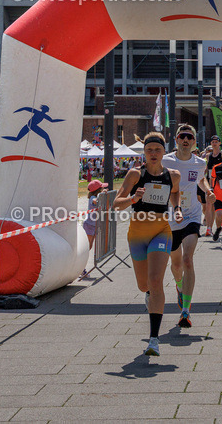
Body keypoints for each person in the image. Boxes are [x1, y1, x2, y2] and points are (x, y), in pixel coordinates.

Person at [112, 132, 182, 357]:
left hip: (161, 231)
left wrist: (177, 208)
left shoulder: (173, 175)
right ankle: (148, 294)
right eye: (149, 150)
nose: (153, 154)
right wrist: (133, 199)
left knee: (156, 280)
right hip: (137, 234)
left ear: (164, 152)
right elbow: (116, 204)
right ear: (144, 152)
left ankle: (153, 339)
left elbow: (175, 192)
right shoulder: (135, 174)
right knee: (145, 286)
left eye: (157, 150)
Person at [162, 124, 208, 329]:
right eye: (183, 136)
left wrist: (208, 191)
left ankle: (186, 311)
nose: (186, 140)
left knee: (188, 259)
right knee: (177, 265)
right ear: (176, 140)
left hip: (191, 215)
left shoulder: (200, 163)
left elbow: (201, 180)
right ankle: (180, 287)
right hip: (169, 219)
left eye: (190, 137)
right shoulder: (165, 160)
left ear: (194, 142)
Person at [202, 136, 222, 237]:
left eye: (216, 142)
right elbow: (207, 168)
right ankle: (209, 228)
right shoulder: (208, 155)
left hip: (220, 183)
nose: (214, 143)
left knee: (217, 206)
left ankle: (219, 223)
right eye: (213, 142)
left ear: (219, 143)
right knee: (209, 205)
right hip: (210, 182)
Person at [82, 178, 109, 248]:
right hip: (89, 225)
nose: (103, 188)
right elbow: (95, 201)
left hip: (94, 225)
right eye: (102, 188)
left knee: (90, 245)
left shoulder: (96, 196)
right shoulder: (92, 197)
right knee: (87, 246)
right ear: (98, 190)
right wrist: (102, 194)